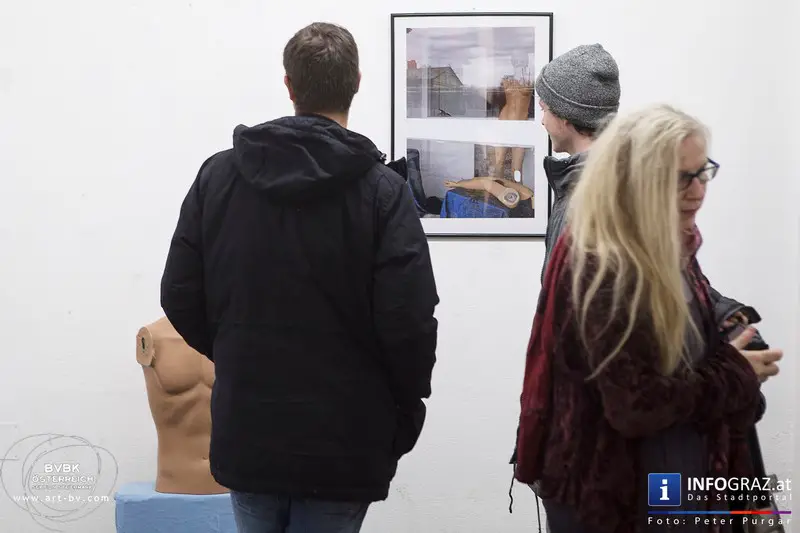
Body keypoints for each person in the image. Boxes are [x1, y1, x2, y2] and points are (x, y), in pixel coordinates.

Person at [160, 22, 439, 533]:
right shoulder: (382, 193)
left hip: (250, 428)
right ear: (357, 83)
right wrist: (404, 411)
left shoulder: (218, 178)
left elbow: (180, 294)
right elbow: (410, 321)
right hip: (346, 438)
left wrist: (237, 353)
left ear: (288, 84)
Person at [513, 104, 783, 533]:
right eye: (680, 178)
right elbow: (635, 404)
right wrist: (734, 375)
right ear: (634, 180)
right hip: (617, 499)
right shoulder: (603, 264)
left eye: (702, 173)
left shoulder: (667, 245)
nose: (697, 191)